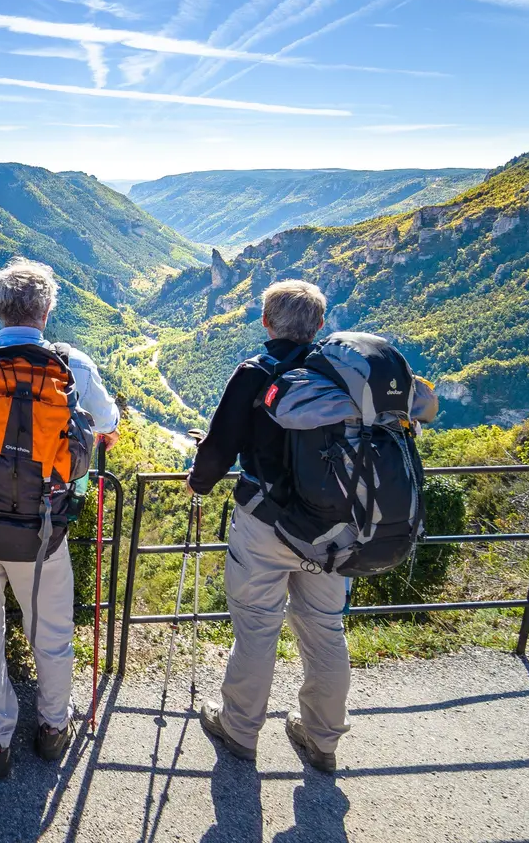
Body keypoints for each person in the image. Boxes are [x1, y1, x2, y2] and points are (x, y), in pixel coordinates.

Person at [0, 257, 119, 779]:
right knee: (52, 633)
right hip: (46, 530)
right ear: (47, 310)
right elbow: (109, 420)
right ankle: (53, 728)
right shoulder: (72, 363)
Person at [185, 279, 348, 774]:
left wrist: (199, 482)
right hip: (332, 528)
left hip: (266, 523)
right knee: (324, 629)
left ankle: (239, 729)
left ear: (265, 322)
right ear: (320, 326)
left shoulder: (256, 373)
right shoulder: (340, 374)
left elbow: (220, 447)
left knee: (257, 626)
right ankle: (322, 739)